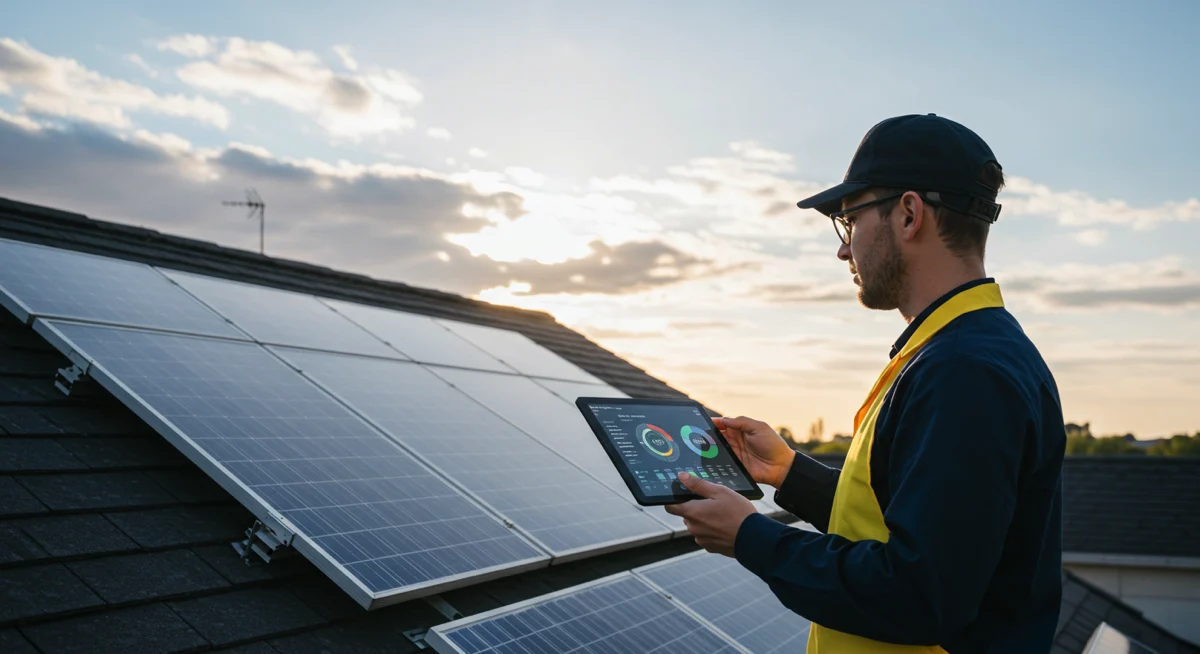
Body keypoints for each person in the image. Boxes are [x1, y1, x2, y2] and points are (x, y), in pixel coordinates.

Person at [664, 114, 1066, 653]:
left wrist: (751, 537)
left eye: (848, 220)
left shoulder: (963, 371)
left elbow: (921, 594)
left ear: (907, 214)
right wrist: (788, 472)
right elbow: (912, 523)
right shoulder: (957, 350)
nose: (843, 248)